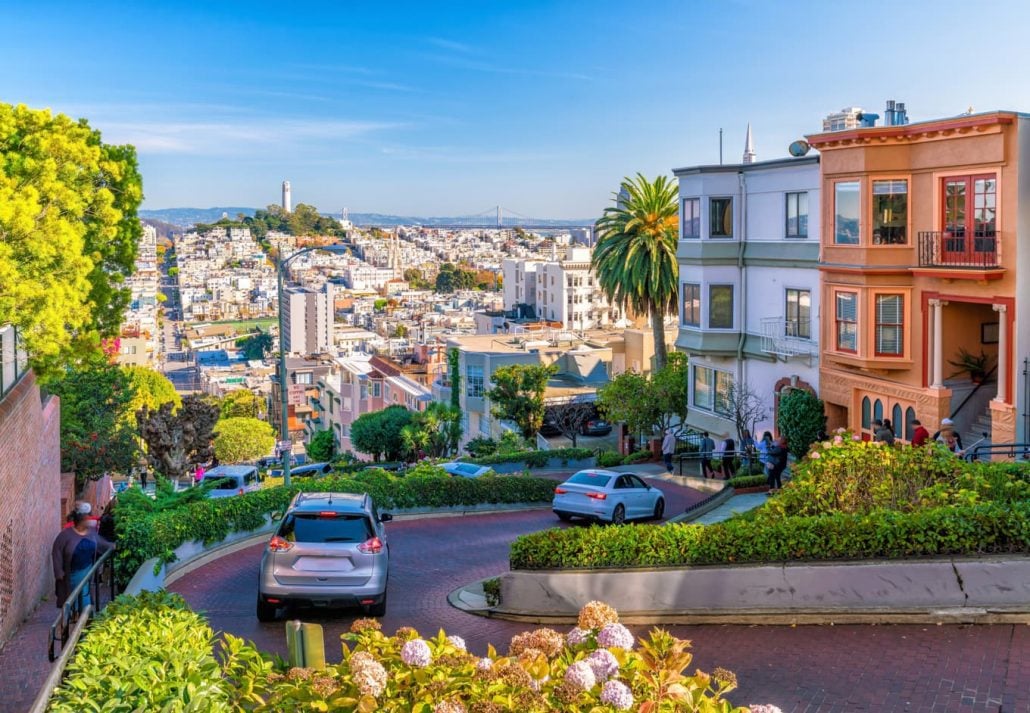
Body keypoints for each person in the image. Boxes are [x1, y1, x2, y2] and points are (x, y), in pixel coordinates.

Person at [52, 509, 113, 612]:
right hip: (71, 574)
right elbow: (56, 551)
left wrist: (112, 546)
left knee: (85, 595)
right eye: (86, 520)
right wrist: (58, 572)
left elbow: (100, 543)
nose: (88, 522)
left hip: (87, 571)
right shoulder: (65, 535)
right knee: (72, 596)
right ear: (80, 522)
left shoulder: (91, 533)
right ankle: (71, 617)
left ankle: (84, 616)